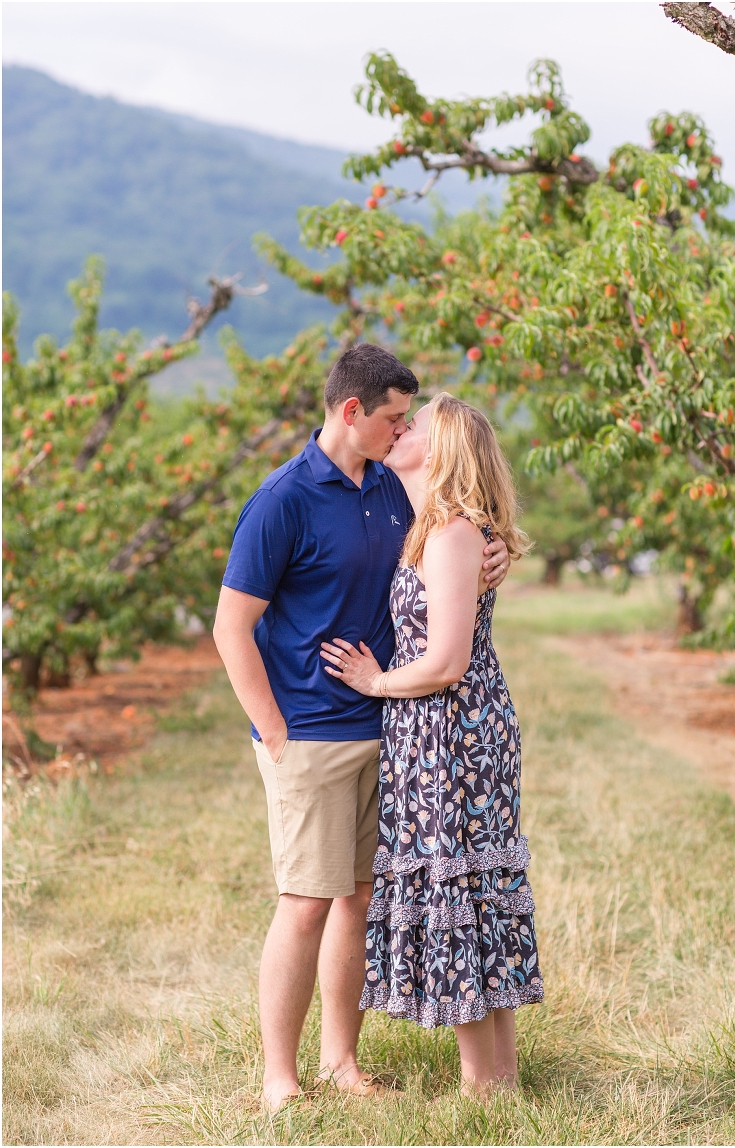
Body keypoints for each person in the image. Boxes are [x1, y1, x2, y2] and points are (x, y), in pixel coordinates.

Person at [212, 346, 511, 1112]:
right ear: (352, 413)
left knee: (358, 899)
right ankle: (281, 1079)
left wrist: (497, 550)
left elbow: (455, 533)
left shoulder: (392, 486)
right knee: (305, 901)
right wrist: (272, 729)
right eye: (392, 418)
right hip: (309, 733)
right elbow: (230, 627)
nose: (402, 429)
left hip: (390, 728)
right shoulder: (282, 499)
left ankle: (341, 1061)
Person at [320, 392, 543, 1097]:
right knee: (473, 887)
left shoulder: (449, 533)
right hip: (445, 729)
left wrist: (375, 680)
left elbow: (445, 661)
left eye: (417, 424)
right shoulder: (436, 525)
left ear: (442, 450)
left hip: (451, 730)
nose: (402, 428)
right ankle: (498, 1080)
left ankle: (484, 1085)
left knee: (461, 884)